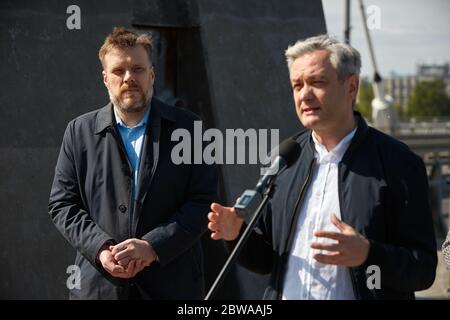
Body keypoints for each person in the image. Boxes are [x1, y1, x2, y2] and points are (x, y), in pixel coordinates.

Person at [208, 35, 437, 300]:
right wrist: (237, 235)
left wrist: (368, 254)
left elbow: (423, 269)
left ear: (351, 87)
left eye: (317, 82)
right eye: (297, 85)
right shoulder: (284, 159)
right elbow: (267, 261)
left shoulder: (399, 163)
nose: (304, 94)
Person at [49, 27, 218, 299]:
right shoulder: (78, 132)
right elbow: (62, 204)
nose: (129, 78)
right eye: (118, 71)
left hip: (172, 288)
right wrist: (101, 248)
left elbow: (203, 201)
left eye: (138, 69)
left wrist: (152, 246)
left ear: (151, 74)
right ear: (105, 79)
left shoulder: (192, 128)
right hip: (99, 288)